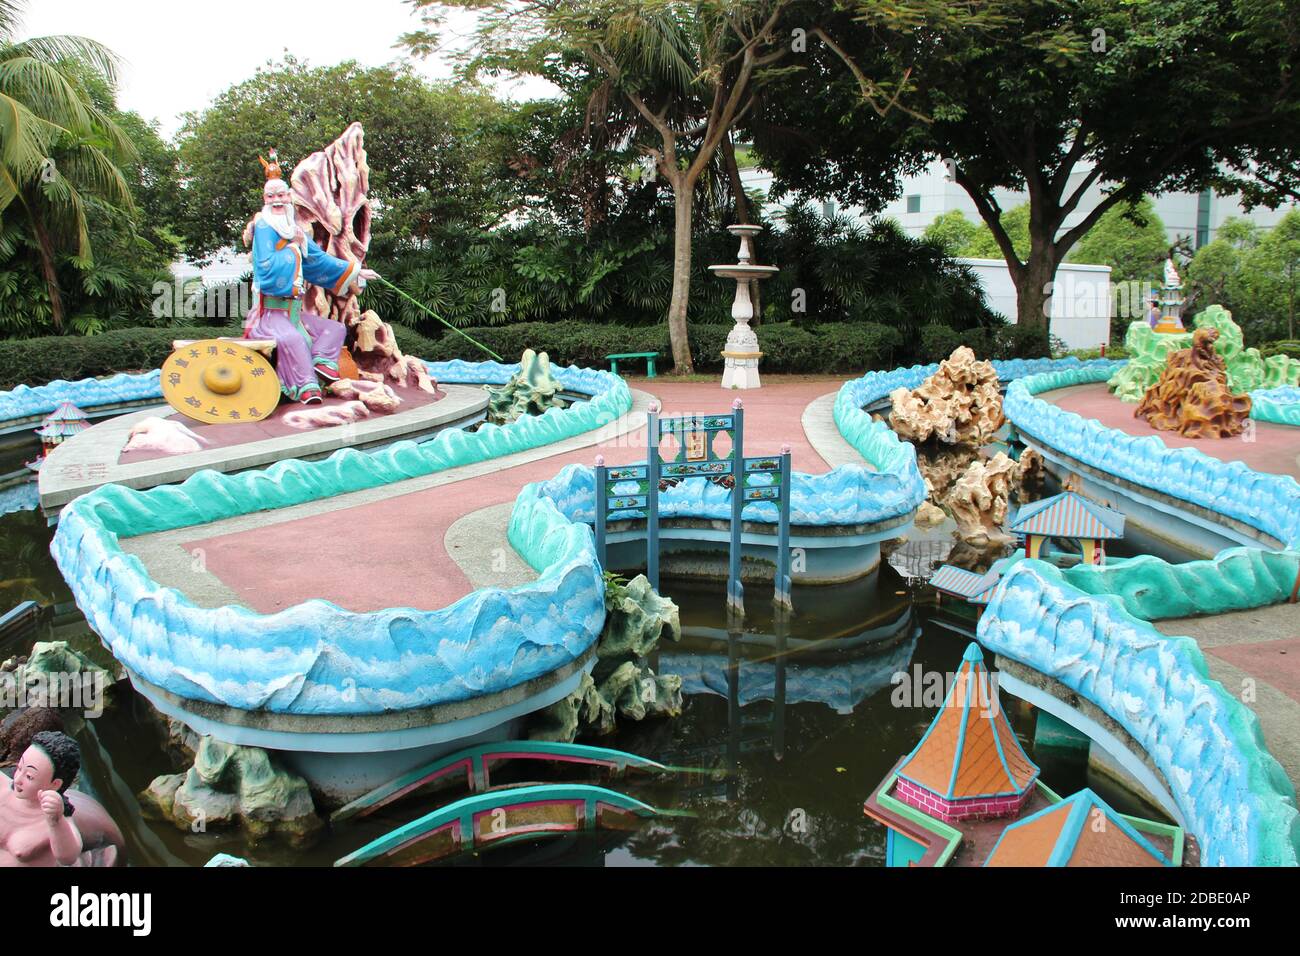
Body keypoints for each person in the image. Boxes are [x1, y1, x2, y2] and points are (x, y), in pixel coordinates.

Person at [243, 150, 373, 404]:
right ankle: (306, 388)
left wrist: (357, 271)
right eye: (271, 197)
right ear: (265, 199)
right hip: (269, 314)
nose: (277, 201)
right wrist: (293, 250)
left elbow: (317, 260)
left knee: (334, 330)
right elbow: (266, 266)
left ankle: (320, 367)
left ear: (288, 197)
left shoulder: (294, 230)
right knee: (293, 340)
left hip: (293, 314)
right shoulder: (264, 227)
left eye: (281, 195)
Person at [0, 730, 124, 866]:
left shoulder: (56, 820)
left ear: (55, 784)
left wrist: (56, 821)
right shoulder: (3, 786)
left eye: (29, 776)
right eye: (19, 767)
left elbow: (68, 857)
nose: (18, 779)